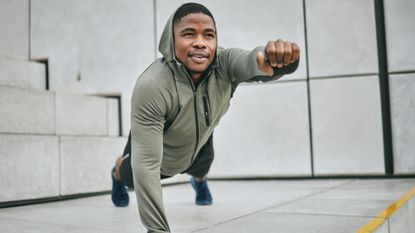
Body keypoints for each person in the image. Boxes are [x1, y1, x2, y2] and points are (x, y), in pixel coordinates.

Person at [114, 2, 300, 232]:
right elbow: (147, 164)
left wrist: (280, 61)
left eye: (208, 35)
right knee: (130, 176)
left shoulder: (225, 63)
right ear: (172, 40)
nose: (201, 42)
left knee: (203, 167)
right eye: (189, 34)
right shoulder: (153, 85)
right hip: (160, 148)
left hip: (200, 139)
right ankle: (116, 171)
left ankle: (198, 181)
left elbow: (254, 61)